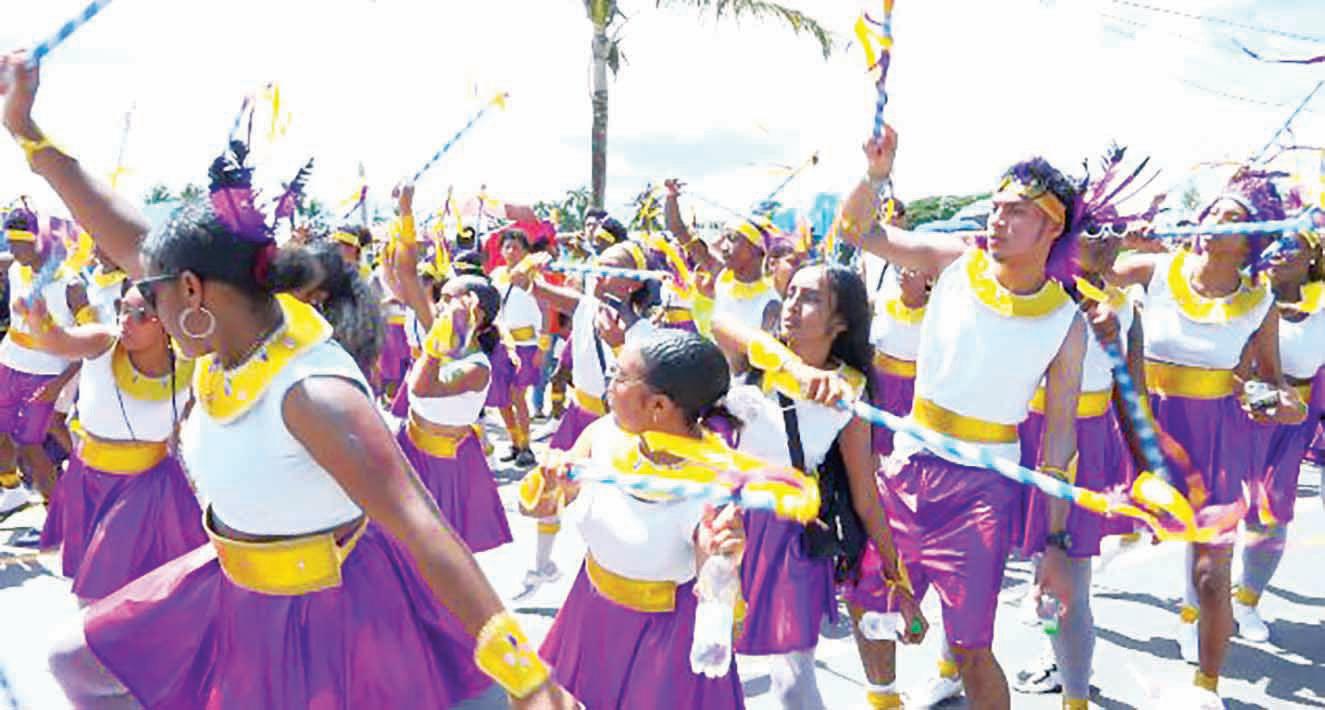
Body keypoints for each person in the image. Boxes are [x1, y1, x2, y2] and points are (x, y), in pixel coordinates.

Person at [2, 52, 575, 709]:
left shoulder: (313, 392)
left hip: (324, 612)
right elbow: (120, 227)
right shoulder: (232, 328)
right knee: (74, 660)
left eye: (151, 296)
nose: (148, 309)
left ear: (192, 290)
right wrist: (25, 129)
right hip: (227, 585)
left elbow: (422, 525)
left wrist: (533, 684)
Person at [835, 126, 1088, 710]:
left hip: (983, 490)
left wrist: (1054, 543)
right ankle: (884, 701)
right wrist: (875, 176)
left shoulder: (1065, 322)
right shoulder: (952, 262)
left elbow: (1059, 439)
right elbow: (857, 231)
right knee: (870, 604)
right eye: (996, 208)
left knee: (972, 645)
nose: (998, 220)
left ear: (1053, 227)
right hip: (908, 468)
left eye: (1016, 211)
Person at [1107, 167, 1305, 704]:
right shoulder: (1155, 268)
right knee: (1071, 549)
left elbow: (1272, 382)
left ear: (1251, 241)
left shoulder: (1259, 302)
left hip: (1215, 445)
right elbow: (1086, 274)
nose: (1216, 218)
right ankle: (1055, 652)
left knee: (1212, 575)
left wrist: (1278, 403)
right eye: (1214, 208)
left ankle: (1206, 687)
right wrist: (1118, 242)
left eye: (1232, 216)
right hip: (1136, 431)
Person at [710, 263, 925, 710]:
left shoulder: (850, 390)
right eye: (791, 293)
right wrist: (795, 369)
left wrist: (895, 575)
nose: (791, 305)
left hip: (789, 535)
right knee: (707, 656)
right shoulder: (764, 354)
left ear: (841, 321)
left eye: (810, 298)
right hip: (724, 520)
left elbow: (865, 494)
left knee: (793, 678)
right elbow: (719, 322)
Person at [523, 330, 746, 708]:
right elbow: (540, 508)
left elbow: (721, 613)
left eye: (620, 377)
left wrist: (723, 563)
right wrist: (549, 483)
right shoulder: (603, 435)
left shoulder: (710, 485)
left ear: (658, 405)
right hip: (588, 614)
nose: (609, 385)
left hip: (661, 643)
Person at [29, 284, 203, 604]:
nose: (125, 320)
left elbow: (183, 425)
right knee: (100, 579)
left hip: (147, 486)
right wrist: (40, 321)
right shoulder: (104, 342)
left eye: (141, 315)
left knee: (106, 587)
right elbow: (59, 341)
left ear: (168, 322)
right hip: (88, 480)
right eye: (123, 309)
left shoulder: (188, 365)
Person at [511, 240, 662, 599]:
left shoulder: (645, 333)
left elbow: (641, 385)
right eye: (598, 264)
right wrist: (531, 264)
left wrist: (617, 343)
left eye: (611, 269)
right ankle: (542, 565)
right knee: (549, 486)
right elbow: (523, 282)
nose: (599, 274)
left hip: (616, 427)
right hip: (578, 414)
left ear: (632, 283)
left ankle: (607, 576)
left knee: (608, 507)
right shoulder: (583, 306)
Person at [1232, 226, 1325, 643]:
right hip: (1232, 416)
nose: (1281, 251)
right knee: (1215, 510)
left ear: (1313, 256)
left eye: (1293, 244)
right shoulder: (1242, 295)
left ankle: (1246, 601)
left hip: (1289, 426)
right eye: (1274, 242)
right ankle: (1195, 609)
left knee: (1270, 514)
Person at [0, 204, 80, 511]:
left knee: (31, 446)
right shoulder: (17, 268)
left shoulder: (71, 286)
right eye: (9, 243)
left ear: (39, 240)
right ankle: (12, 490)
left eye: (17, 244)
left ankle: (57, 514)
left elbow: (91, 346)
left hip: (47, 373)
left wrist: (60, 385)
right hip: (10, 362)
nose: (11, 250)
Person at [492, 229, 543, 467]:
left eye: (516, 247)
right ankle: (514, 441)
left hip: (526, 345)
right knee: (502, 397)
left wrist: (542, 347)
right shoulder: (496, 276)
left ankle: (526, 446)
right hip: (501, 344)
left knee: (518, 395)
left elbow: (544, 311)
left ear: (525, 251)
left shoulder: (534, 276)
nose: (511, 251)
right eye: (507, 247)